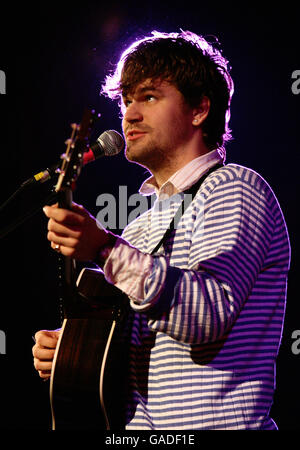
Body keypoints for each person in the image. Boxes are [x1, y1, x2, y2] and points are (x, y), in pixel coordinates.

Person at [32, 30, 290, 430]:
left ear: (200, 109)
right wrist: (71, 352)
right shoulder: (136, 230)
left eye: (149, 97)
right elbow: (121, 352)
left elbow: (206, 315)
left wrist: (104, 249)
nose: (129, 114)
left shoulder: (235, 186)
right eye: (125, 99)